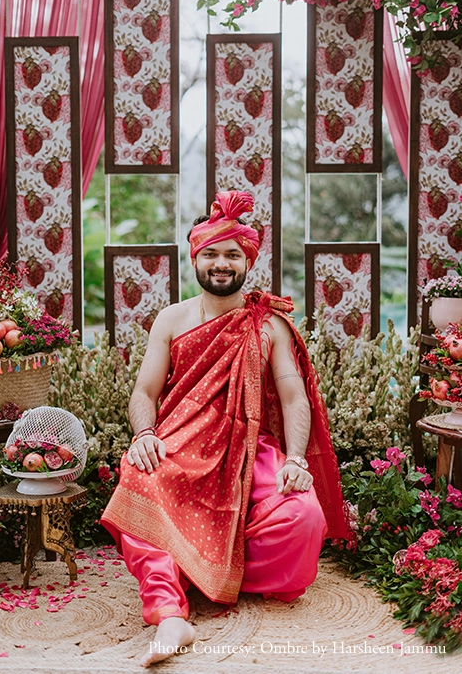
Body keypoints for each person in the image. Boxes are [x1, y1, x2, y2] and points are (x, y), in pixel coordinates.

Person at [102, 190, 349, 667]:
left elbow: (294, 398)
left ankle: (204, 568)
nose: (221, 263)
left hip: (251, 450)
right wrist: (145, 435)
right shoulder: (171, 319)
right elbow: (144, 394)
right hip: (181, 445)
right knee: (138, 479)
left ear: (248, 261)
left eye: (232, 254)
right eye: (211, 253)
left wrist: (297, 460)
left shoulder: (269, 325)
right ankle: (169, 614)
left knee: (304, 517)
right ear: (195, 257)